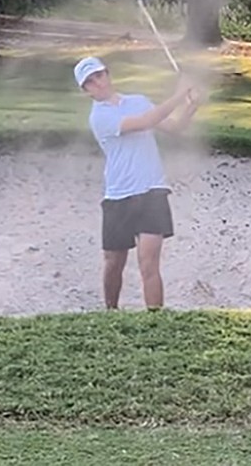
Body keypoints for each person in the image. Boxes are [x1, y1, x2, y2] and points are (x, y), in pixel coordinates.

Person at [74, 56, 200, 311]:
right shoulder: (99, 117)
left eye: (98, 75)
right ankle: (111, 311)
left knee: (148, 263)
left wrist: (191, 106)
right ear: (85, 91)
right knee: (113, 262)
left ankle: (155, 320)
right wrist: (179, 94)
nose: (97, 83)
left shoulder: (138, 101)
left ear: (107, 74)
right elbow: (144, 122)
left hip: (152, 190)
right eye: (89, 82)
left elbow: (174, 128)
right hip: (118, 195)